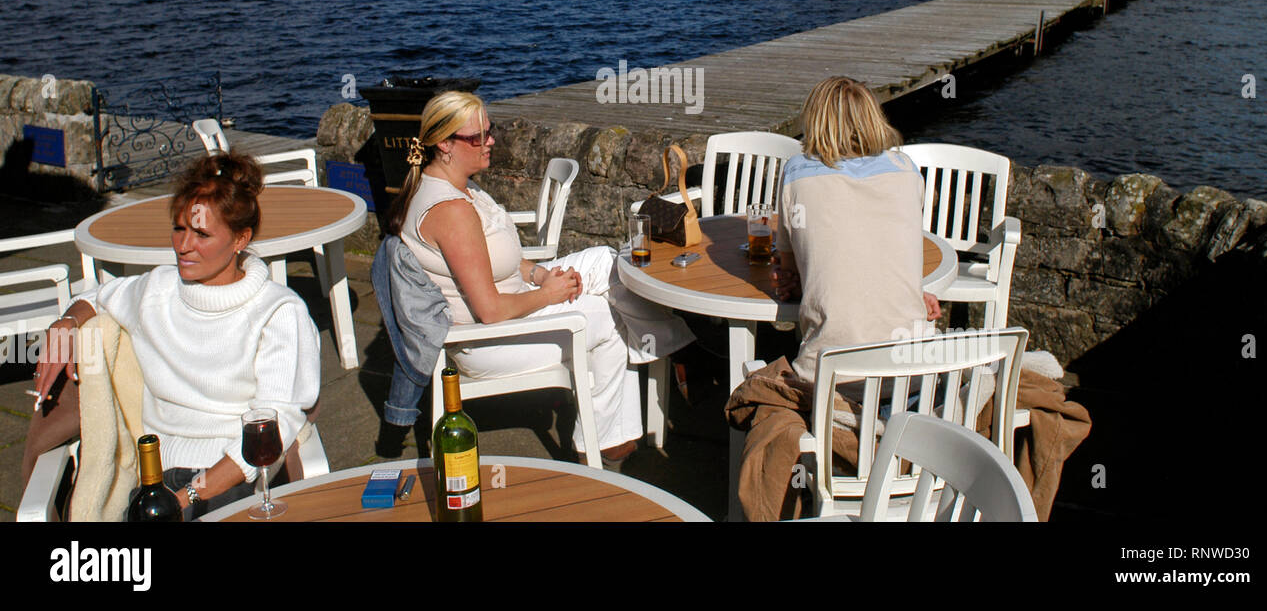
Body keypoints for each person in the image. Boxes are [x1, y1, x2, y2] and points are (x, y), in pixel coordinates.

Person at [382, 90, 693, 461]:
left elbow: (497, 260)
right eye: (478, 137)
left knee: (607, 261)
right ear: (444, 144)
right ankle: (652, 377)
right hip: (489, 342)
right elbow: (490, 311)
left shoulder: (456, 185)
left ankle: (666, 348)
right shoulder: (451, 211)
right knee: (609, 315)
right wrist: (549, 295)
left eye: (490, 130)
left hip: (516, 303)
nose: (490, 141)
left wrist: (541, 274)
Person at [33, 152, 321, 518]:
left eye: (201, 234)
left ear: (240, 238)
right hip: (157, 478)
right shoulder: (158, 290)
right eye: (179, 228)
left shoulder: (276, 312)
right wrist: (66, 324)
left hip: (236, 479)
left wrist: (184, 498)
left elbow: (274, 423)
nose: (183, 246)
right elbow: (95, 298)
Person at [769, 76, 942, 384]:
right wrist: (912, 294)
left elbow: (790, 272)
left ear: (815, 121)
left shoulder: (796, 174)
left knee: (754, 388)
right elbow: (890, 250)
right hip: (915, 378)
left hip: (831, 382)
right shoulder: (905, 169)